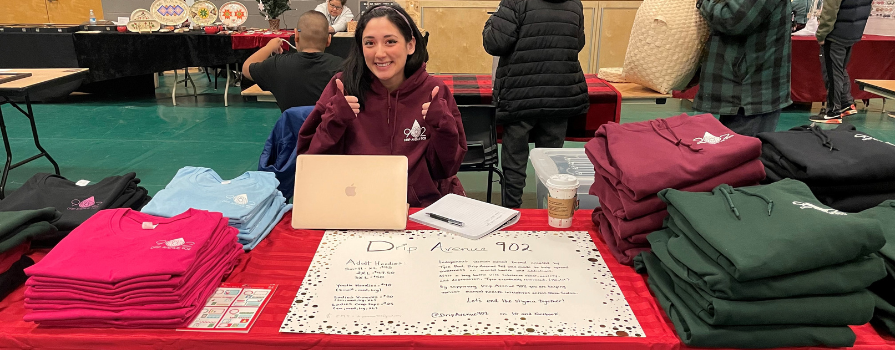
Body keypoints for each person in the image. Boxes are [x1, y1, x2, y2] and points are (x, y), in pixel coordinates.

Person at [296, 4, 467, 208]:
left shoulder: (433, 92)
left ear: (410, 45)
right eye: (369, 43)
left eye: (390, 42)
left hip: (419, 210)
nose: (379, 53)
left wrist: (443, 129)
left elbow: (445, 169)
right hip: (353, 207)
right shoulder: (343, 88)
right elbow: (310, 164)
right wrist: (334, 121)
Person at [482, 0, 589, 209]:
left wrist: (490, 23)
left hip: (520, 95)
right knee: (551, 163)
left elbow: (495, 42)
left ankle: (512, 213)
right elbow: (578, 43)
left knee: (514, 163)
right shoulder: (575, 3)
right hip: (559, 95)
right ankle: (553, 213)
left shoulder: (516, 2)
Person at [694, 0, 793, 136]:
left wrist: (702, 2)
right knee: (733, 150)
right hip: (743, 88)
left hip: (750, 92)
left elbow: (733, 19)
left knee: (741, 152)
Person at [242, 11, 343, 113]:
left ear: (296, 36)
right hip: (329, 129)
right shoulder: (343, 68)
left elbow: (246, 68)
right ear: (329, 39)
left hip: (291, 128)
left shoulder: (277, 65)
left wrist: (268, 47)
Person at [809, 0, 873, 123]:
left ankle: (833, 111)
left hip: (835, 34)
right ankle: (846, 103)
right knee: (839, 69)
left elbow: (830, 11)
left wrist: (821, 34)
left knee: (832, 73)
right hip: (851, 32)